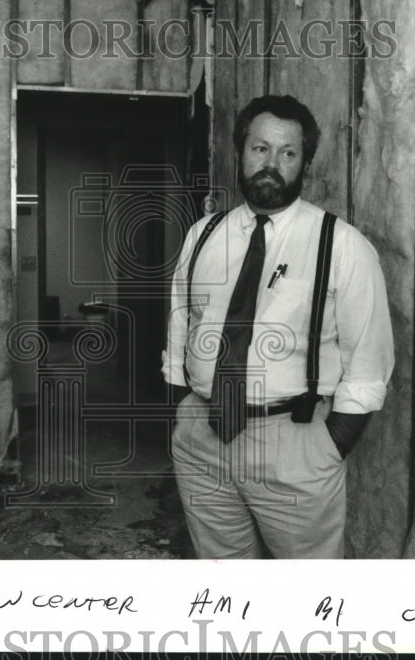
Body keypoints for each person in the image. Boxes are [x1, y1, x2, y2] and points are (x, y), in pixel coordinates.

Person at [163, 95, 394, 559]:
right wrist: (183, 411)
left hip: (295, 442)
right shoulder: (204, 233)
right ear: (240, 151)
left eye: (287, 153)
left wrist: (326, 449)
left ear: (305, 162)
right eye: (260, 148)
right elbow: (180, 323)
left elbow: (368, 367)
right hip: (203, 437)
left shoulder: (343, 246)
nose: (271, 164)